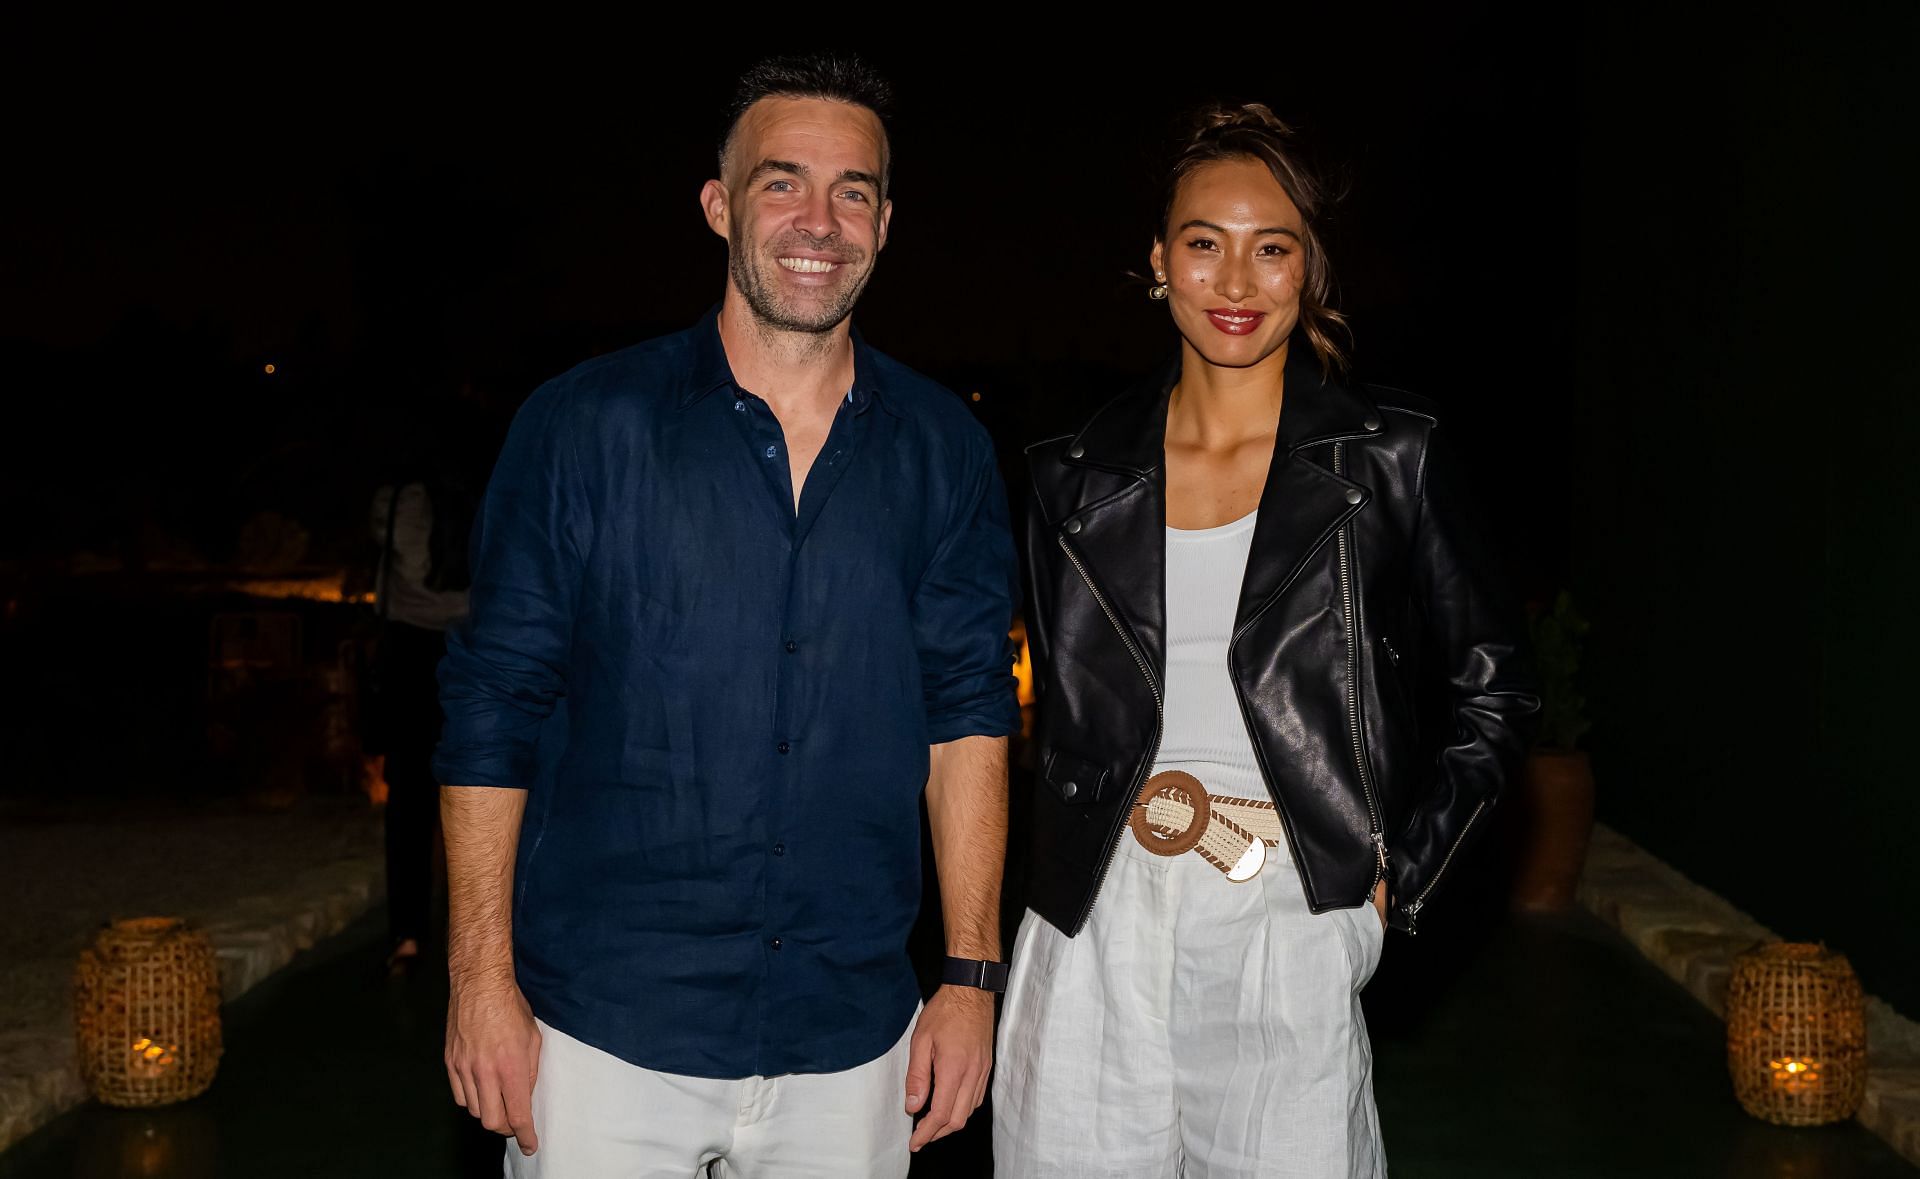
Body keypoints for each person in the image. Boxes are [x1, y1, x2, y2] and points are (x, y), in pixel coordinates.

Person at [432, 53, 1021, 1178]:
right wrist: (478, 982)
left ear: (887, 223)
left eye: (854, 191)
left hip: (853, 1047)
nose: (820, 220)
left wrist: (969, 976)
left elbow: (969, 715)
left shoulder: (943, 448)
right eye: (781, 182)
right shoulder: (582, 427)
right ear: (719, 205)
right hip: (601, 1040)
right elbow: (491, 710)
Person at [993, 104, 1540, 1178]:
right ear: (1160, 262)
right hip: (1093, 919)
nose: (1236, 282)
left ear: (1309, 269)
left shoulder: (1388, 460)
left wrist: (1393, 887)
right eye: (1205, 244)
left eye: (1271, 248)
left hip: (1287, 912)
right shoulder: (1070, 474)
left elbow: (1498, 692)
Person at [368, 469, 471, 978]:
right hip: (475, 646)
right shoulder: (484, 481)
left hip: (411, 649)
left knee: (408, 801)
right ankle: (478, 940)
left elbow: (403, 560)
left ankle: (408, 935)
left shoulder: (402, 491)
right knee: (481, 789)